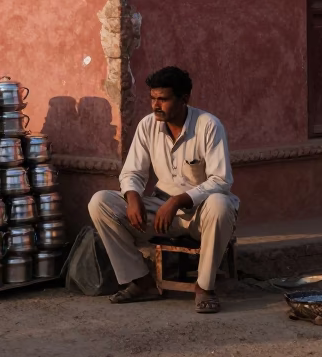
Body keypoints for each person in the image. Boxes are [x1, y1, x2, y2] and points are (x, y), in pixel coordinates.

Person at [88, 65, 239, 313]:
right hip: (159, 210)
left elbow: (221, 181)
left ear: (184, 99)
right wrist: (133, 197)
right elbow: (132, 172)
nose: (156, 105)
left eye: (163, 99)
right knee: (100, 201)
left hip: (201, 213)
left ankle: (204, 287)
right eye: (153, 98)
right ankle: (140, 280)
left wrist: (178, 201)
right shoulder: (148, 125)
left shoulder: (209, 125)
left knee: (221, 204)